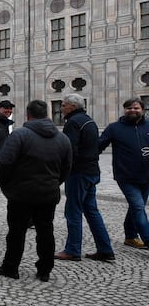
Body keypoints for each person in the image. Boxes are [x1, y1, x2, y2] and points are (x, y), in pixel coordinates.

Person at [0, 100, 72, 282]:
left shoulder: (20, 135)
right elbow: (67, 168)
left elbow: (6, 164)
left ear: (28, 115)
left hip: (21, 193)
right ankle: (45, 270)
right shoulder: (62, 138)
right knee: (46, 231)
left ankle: (11, 267)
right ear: (48, 114)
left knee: (16, 232)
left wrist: (5, 185)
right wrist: (54, 183)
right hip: (48, 193)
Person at [55, 94, 114, 262]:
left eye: (64, 105)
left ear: (73, 106)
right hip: (91, 171)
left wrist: (63, 171)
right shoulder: (89, 121)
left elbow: (69, 150)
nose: (62, 108)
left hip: (78, 173)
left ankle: (72, 250)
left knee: (73, 212)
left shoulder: (73, 123)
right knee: (91, 210)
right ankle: (105, 249)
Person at [98, 97, 149, 250]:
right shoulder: (114, 128)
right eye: (129, 108)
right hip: (126, 176)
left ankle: (130, 236)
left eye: (136, 108)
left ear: (142, 110)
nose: (132, 110)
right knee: (139, 207)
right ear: (124, 110)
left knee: (135, 207)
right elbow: (98, 146)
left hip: (147, 176)